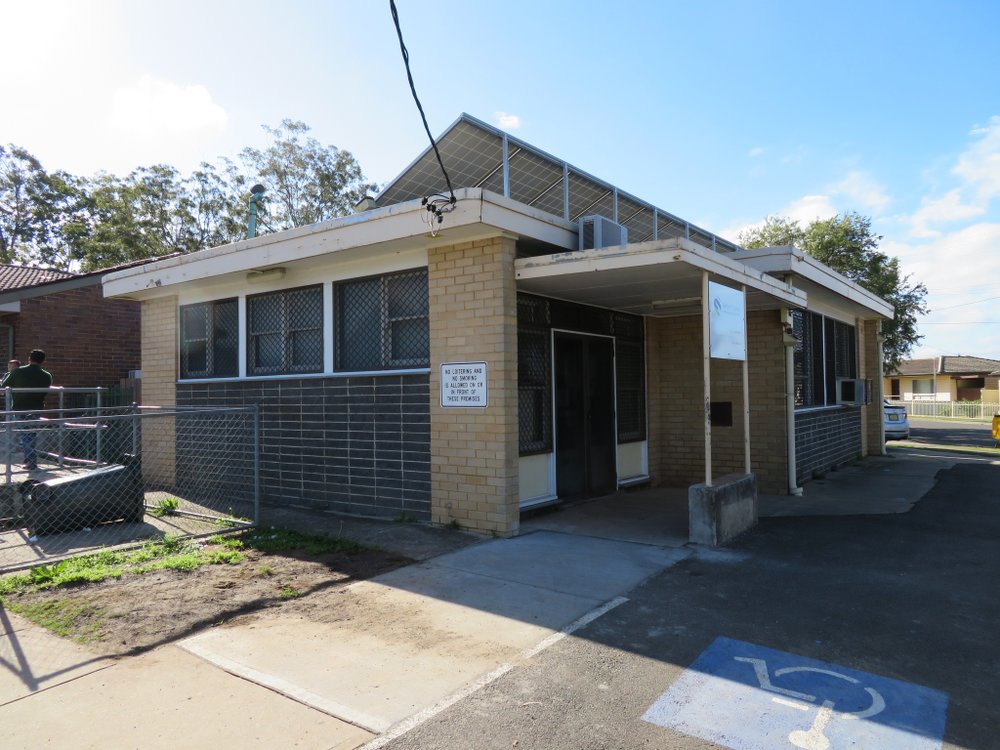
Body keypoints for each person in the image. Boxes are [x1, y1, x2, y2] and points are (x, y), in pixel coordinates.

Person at [6, 350, 53, 471]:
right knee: (30, 434)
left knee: (26, 435)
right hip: (36, 407)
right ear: (43, 361)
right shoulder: (47, 375)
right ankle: (29, 460)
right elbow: (45, 393)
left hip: (20, 407)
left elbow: (4, 386)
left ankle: (31, 462)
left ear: (29, 358)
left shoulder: (18, 371)